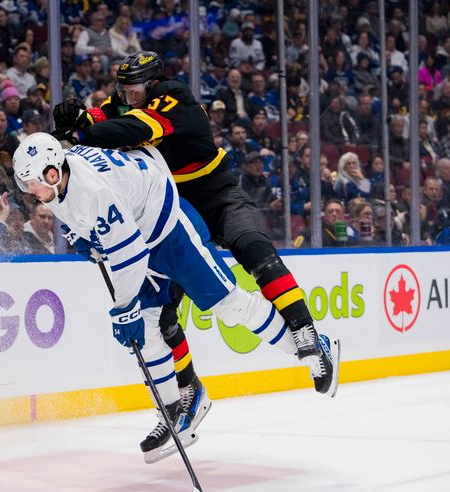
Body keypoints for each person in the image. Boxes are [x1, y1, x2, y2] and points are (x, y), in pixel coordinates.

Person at [13, 133, 340, 462]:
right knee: (146, 329)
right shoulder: (63, 178)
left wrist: (123, 307)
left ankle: (312, 348)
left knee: (229, 305)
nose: (29, 191)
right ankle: (173, 408)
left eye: (31, 183)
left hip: (169, 229)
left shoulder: (92, 191)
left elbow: (129, 255)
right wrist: (87, 236)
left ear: (52, 174)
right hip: (140, 232)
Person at [53, 51, 337, 418]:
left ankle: (309, 334)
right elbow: (99, 117)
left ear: (153, 85)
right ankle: (189, 390)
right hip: (174, 207)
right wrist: (72, 116)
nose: (125, 96)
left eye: (132, 89)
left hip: (216, 195)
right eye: (121, 90)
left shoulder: (174, 98)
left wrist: (83, 129)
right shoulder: (126, 101)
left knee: (255, 253)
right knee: (164, 311)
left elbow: (131, 129)